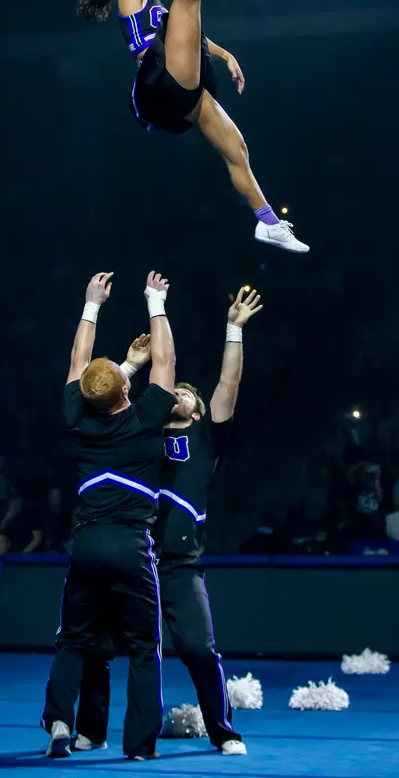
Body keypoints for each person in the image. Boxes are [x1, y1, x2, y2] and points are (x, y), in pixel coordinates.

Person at [77, 0, 308, 255]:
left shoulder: (162, 10)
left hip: (177, 86)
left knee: (236, 149)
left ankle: (268, 223)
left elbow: (192, 36)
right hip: (157, 80)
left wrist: (225, 55)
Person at [74, 287, 262, 757]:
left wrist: (233, 330)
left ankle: (223, 730)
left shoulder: (205, 433)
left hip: (178, 562)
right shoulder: (140, 428)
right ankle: (90, 730)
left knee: (199, 647)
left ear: (196, 408)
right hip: (131, 555)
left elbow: (228, 386)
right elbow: (102, 393)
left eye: (185, 392)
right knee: (98, 645)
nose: (176, 392)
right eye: (172, 389)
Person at [41, 271, 177, 762]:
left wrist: (90, 305)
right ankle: (139, 745)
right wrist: (155, 300)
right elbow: (166, 359)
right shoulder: (145, 421)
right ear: (124, 389)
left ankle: (60, 720)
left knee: (74, 637)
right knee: (144, 646)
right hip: (130, 544)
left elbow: (79, 365)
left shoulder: (75, 418)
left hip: (87, 543)